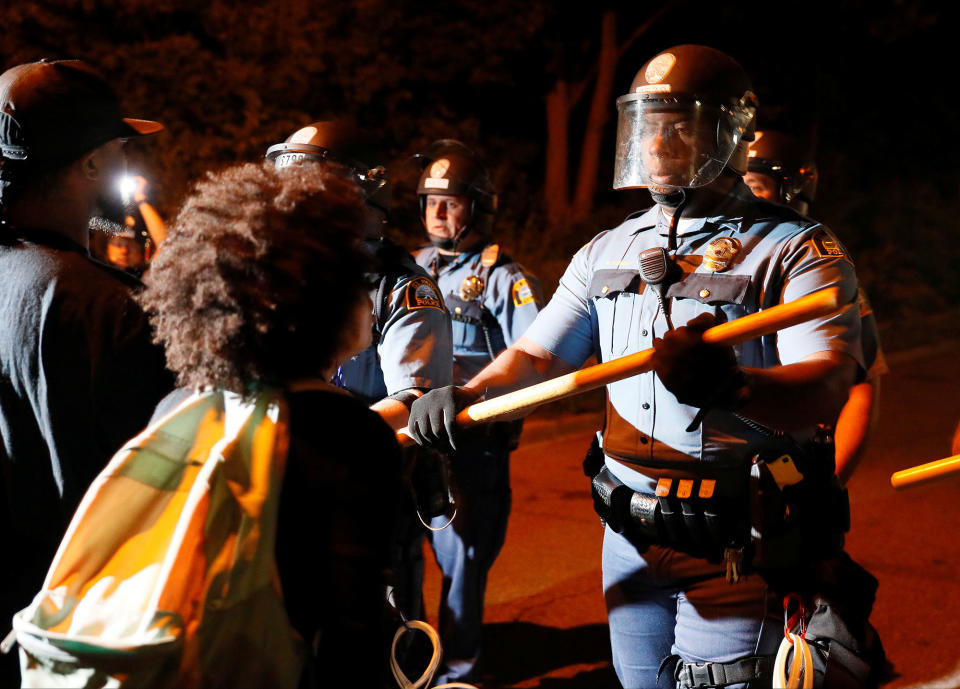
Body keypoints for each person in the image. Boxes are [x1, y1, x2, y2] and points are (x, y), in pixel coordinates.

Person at [408, 46, 868, 689]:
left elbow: (825, 387)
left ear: (728, 133)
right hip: (626, 533)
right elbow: (537, 356)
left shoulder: (796, 248)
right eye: (647, 124)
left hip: (738, 541)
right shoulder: (608, 247)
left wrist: (731, 386)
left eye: (678, 124)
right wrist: (465, 395)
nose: (656, 143)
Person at [140, 161, 401, 688]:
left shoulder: (176, 408)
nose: (368, 293)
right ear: (317, 294)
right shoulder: (347, 432)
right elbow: (352, 633)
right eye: (355, 274)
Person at [0, 58, 172, 686]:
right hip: (80, 640)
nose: (129, 163)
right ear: (91, 162)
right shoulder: (108, 308)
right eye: (121, 148)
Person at [266, 121, 453, 641]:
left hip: (366, 490)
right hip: (282, 484)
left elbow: (414, 401)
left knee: (379, 640)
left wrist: (308, 435)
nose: (291, 201)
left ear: (355, 191)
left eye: (308, 186)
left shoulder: (401, 286)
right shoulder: (278, 269)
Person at [412, 139, 542, 684]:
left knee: (463, 560)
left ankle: (457, 673)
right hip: (411, 437)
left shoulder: (503, 279)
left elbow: (532, 360)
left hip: (469, 443)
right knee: (399, 553)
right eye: (430, 201)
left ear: (479, 207)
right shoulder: (412, 266)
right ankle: (409, 654)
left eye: (452, 202)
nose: (438, 213)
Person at [744, 130, 888, 482]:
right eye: (736, 184)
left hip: (787, 469)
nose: (742, 199)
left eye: (755, 185)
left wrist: (829, 484)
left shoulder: (819, 269)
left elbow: (861, 388)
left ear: (794, 188)